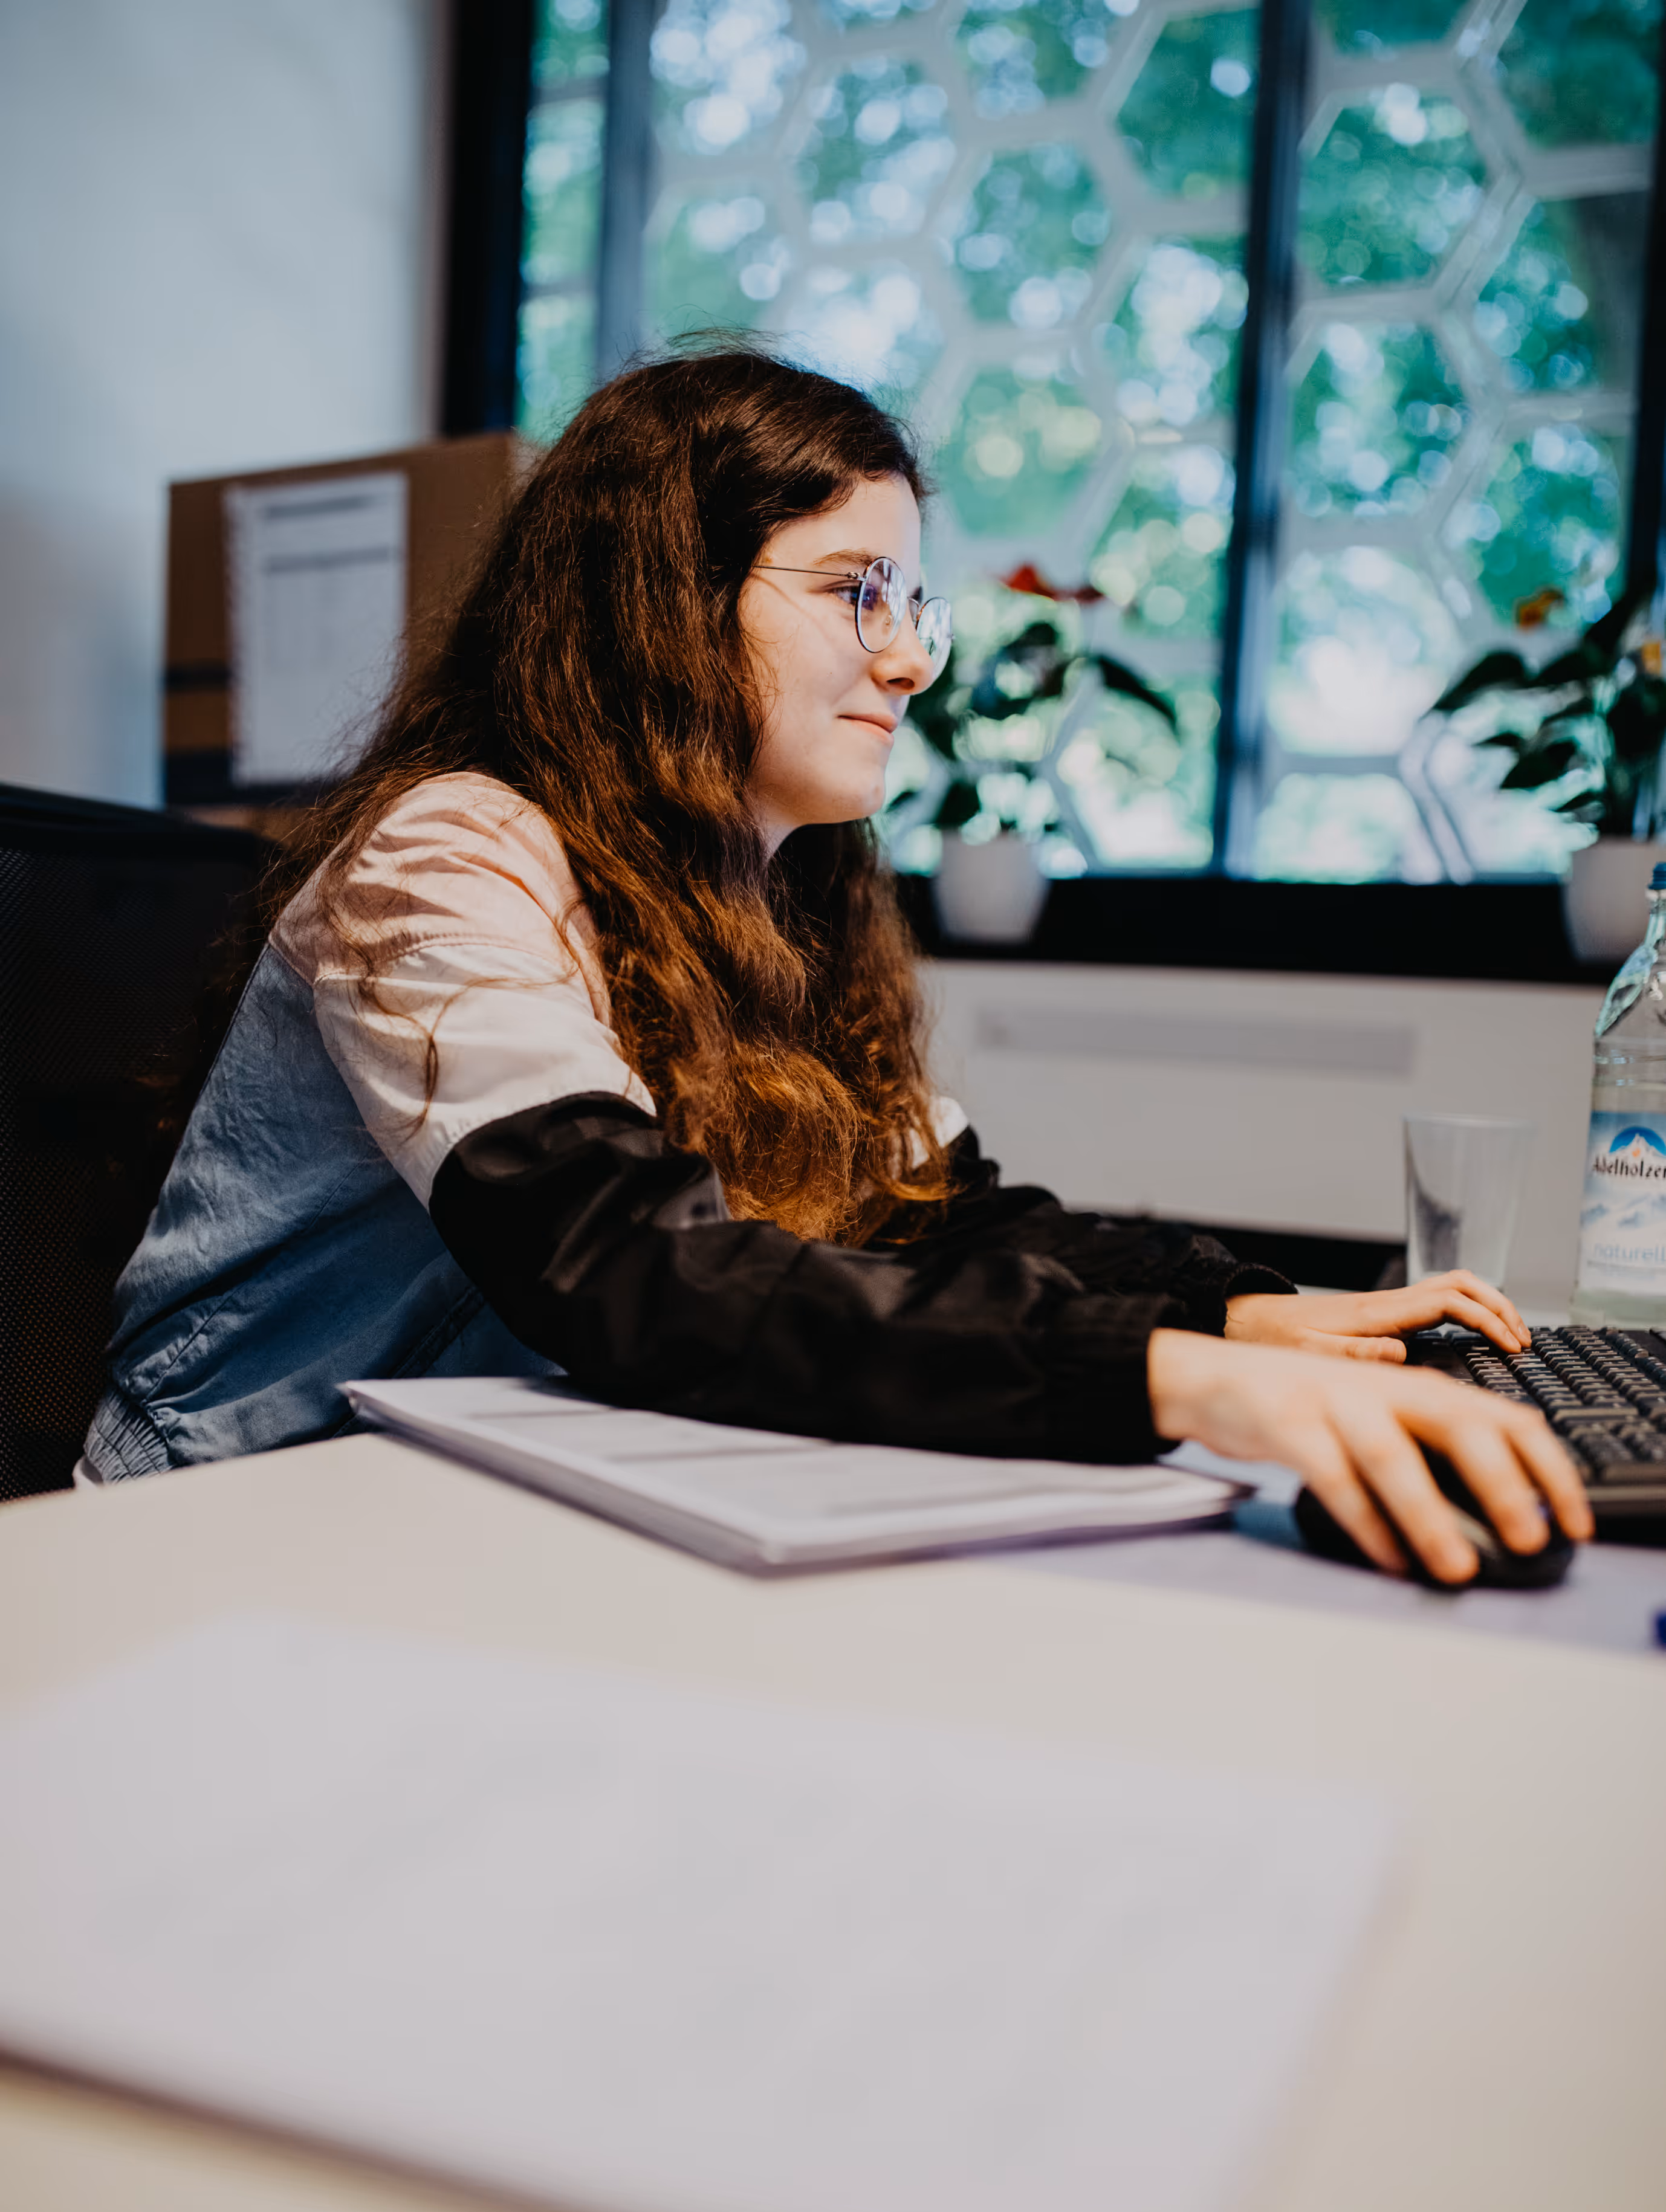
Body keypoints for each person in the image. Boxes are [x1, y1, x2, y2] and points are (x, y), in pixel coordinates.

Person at [83, 348, 1591, 1584]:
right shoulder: (448, 856)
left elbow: (941, 1214)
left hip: (488, 1507)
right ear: (664, 594)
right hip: (232, 1527)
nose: (912, 659)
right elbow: (631, 1267)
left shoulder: (773, 897)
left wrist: (1243, 1314)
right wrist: (1174, 1382)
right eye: (853, 590)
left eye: (913, 601)